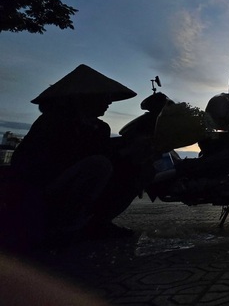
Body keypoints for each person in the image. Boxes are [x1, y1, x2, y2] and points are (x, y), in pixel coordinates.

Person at [7, 65, 141, 247]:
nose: (109, 102)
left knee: (138, 169)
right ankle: (63, 228)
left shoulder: (100, 128)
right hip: (41, 185)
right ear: (86, 97)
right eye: (104, 96)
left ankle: (97, 222)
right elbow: (49, 161)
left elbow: (106, 153)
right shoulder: (54, 122)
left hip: (68, 180)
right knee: (98, 165)